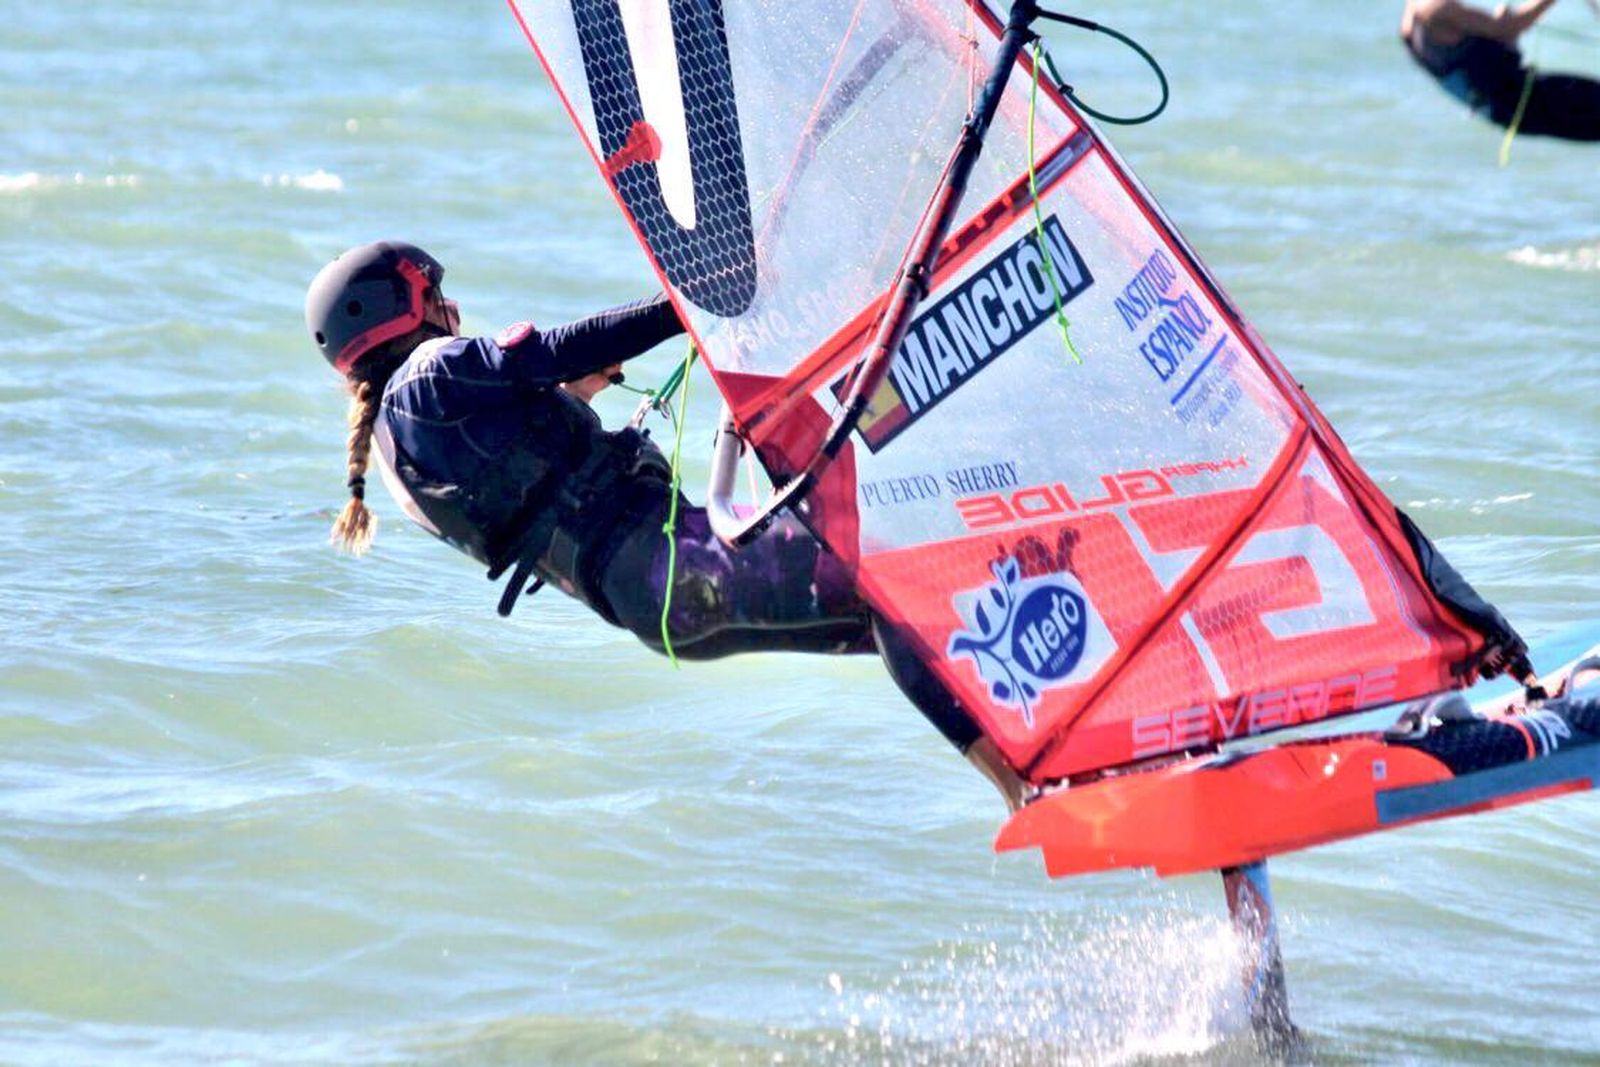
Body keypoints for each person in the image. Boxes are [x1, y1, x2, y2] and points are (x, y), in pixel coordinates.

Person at [304, 240, 1030, 809]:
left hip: (655, 603)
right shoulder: (432, 374)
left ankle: (1039, 756)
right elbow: (556, 348)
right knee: (892, 587)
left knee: (898, 620)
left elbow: (523, 468)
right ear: (405, 307)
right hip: (676, 564)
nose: (451, 305)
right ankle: (1023, 788)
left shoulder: (400, 447)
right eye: (435, 293)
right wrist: (688, 300)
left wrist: (564, 401)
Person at [1401, 0, 1600, 140]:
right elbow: (1510, 29)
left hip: (1504, 109)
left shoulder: (1411, 16)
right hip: (1520, 101)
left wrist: (1496, 29)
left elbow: (1495, 36)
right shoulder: (1437, 7)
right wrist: (1502, 27)